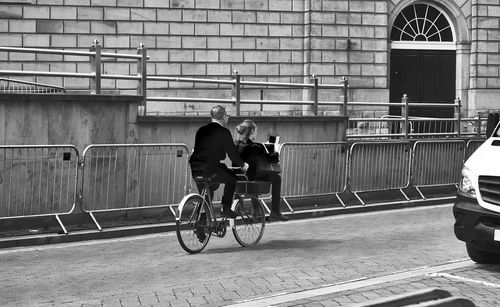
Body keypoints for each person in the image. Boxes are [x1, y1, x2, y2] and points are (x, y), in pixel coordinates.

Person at [189, 105, 249, 219]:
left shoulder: (201, 130)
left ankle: (200, 223)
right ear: (223, 116)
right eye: (227, 116)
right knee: (232, 178)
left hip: (196, 168)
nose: (228, 118)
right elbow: (232, 154)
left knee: (207, 194)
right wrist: (243, 164)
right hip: (211, 167)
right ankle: (226, 208)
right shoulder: (223, 131)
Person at [234, 119, 289, 221]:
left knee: (255, 174)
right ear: (252, 132)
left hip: (239, 178)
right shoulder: (255, 147)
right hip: (251, 178)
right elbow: (271, 159)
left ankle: (256, 211)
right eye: (256, 131)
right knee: (276, 178)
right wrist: (275, 149)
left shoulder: (235, 144)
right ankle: (275, 212)